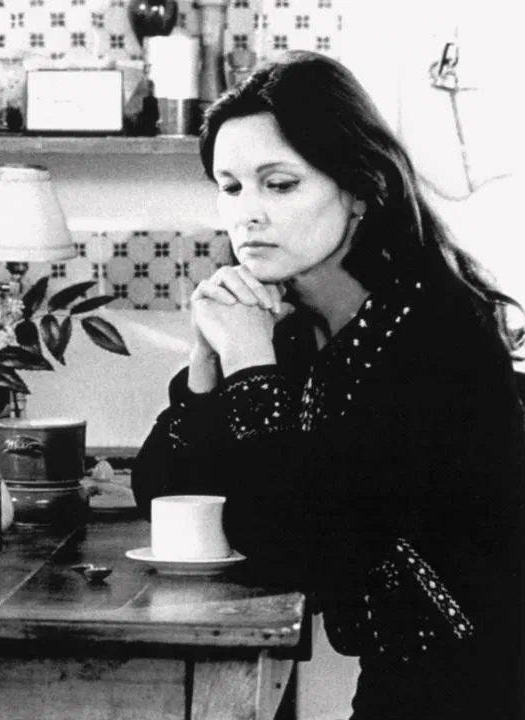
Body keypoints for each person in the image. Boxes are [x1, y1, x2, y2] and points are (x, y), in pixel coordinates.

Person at [132, 52, 524, 719]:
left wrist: (249, 364)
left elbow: (294, 546)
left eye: (279, 185)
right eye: (231, 187)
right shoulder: (289, 326)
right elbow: (164, 498)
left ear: (361, 189)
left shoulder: (433, 330)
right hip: (401, 682)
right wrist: (206, 363)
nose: (248, 214)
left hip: (485, 686)